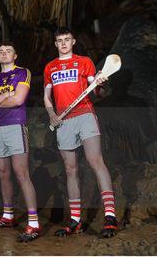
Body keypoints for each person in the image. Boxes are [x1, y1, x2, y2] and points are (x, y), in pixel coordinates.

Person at [43, 27, 118, 238]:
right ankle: (75, 220)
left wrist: (101, 84)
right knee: (70, 169)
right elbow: (47, 96)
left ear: (73, 41)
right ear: (56, 44)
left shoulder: (85, 62)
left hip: (85, 114)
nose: (64, 43)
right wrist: (51, 114)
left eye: (67, 39)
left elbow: (98, 92)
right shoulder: (50, 67)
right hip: (63, 120)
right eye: (60, 40)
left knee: (95, 161)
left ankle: (110, 216)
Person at [0, 42, 41, 242]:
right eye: (0, 51)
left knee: (21, 173)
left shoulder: (23, 72)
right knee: (3, 173)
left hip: (16, 126)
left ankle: (33, 222)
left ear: (15, 55)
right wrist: (7, 94)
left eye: (8, 51)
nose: (4, 53)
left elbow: (18, 100)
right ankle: (8, 215)